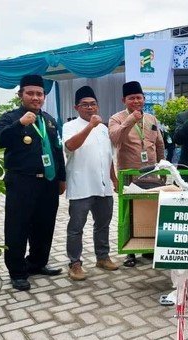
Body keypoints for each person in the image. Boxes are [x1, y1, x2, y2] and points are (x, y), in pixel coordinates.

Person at [0, 74, 65, 291]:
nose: (35, 97)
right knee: (17, 227)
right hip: (21, 183)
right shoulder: (10, 117)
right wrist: (19, 124)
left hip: (48, 183)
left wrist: (62, 178)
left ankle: (38, 262)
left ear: (44, 96)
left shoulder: (49, 120)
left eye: (39, 94)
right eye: (30, 93)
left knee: (45, 224)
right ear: (20, 95)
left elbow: (57, 150)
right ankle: (17, 271)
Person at [62, 86, 119, 281]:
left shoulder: (103, 128)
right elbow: (70, 146)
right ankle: (75, 264)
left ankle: (102, 257)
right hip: (81, 186)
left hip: (103, 187)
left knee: (103, 224)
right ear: (76, 107)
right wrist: (90, 127)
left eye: (93, 104)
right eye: (85, 105)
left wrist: (114, 179)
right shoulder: (70, 126)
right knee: (76, 227)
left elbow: (109, 157)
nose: (90, 108)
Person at [109, 81, 165, 267]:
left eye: (138, 97)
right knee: (129, 213)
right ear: (124, 100)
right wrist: (131, 120)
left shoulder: (151, 119)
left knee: (150, 211)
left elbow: (159, 144)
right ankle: (130, 252)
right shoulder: (116, 119)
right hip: (130, 175)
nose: (136, 101)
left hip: (152, 174)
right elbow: (116, 139)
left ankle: (148, 247)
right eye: (131, 98)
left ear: (143, 99)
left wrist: (163, 167)